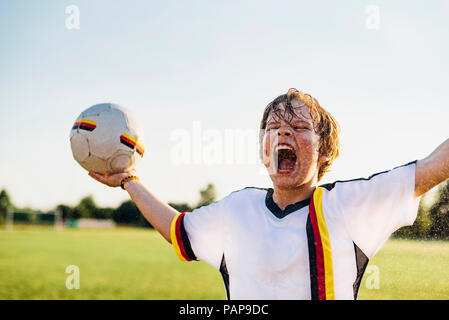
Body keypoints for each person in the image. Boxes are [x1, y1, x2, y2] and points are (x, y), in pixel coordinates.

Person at [89, 88, 449, 300]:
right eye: (274, 128)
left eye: (298, 127)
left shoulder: (349, 205)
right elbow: (177, 230)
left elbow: (434, 166)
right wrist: (128, 180)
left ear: (325, 152)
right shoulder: (237, 208)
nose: (282, 134)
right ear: (264, 150)